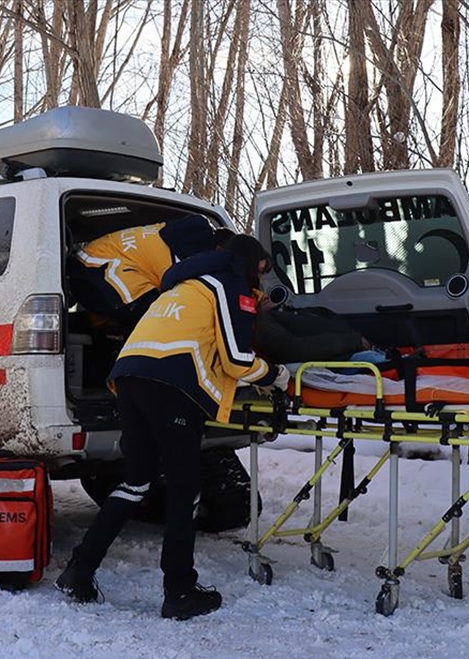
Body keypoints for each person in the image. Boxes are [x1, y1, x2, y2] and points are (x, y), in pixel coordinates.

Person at [55, 234, 288, 620]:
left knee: (135, 482)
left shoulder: (185, 284)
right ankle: (179, 590)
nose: (262, 283)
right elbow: (235, 359)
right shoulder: (230, 284)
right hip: (173, 386)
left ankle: (79, 570)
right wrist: (277, 375)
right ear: (251, 263)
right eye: (262, 271)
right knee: (185, 490)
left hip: (129, 376)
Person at [67, 214, 234, 330]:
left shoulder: (175, 234)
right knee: (160, 317)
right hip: (97, 271)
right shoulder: (197, 253)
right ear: (219, 249)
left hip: (89, 267)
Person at [254, 289, 385, 366]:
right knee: (385, 364)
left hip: (354, 350)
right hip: (342, 361)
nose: (265, 294)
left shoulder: (290, 312)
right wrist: (353, 342)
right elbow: (294, 349)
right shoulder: (264, 323)